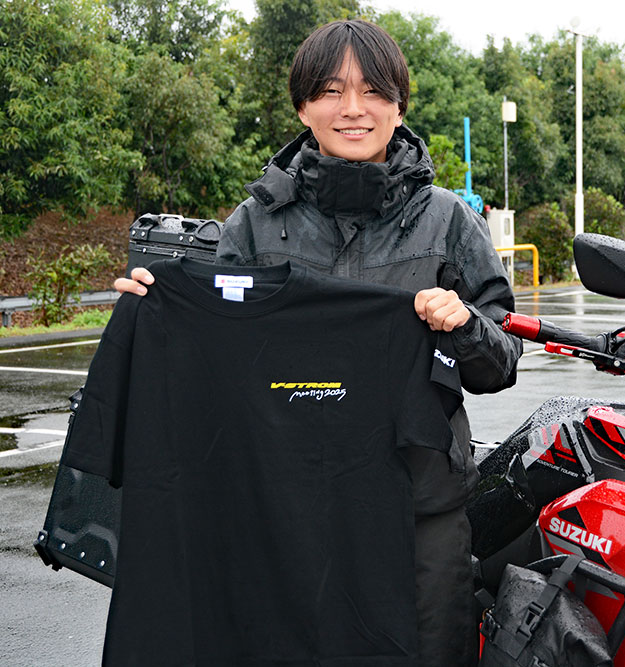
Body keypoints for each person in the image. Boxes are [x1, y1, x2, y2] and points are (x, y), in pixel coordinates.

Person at [115, 18, 522, 666]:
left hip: (417, 513)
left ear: (399, 107)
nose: (353, 108)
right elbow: (209, 364)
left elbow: (500, 363)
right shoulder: (255, 224)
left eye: (373, 91)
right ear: (303, 107)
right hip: (282, 511)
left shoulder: (449, 221)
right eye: (332, 91)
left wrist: (468, 324)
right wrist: (158, 311)